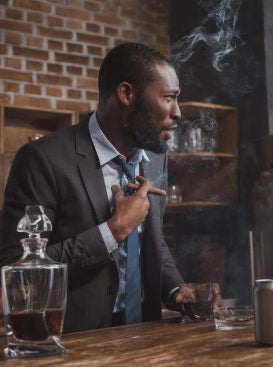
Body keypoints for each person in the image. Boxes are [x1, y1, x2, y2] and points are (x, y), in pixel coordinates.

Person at [0, 42, 189, 332]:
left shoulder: (154, 160)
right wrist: (113, 231)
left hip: (146, 336)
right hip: (74, 342)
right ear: (126, 94)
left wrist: (176, 290)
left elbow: (153, 241)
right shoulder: (43, 160)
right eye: (168, 98)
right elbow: (17, 272)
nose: (177, 112)